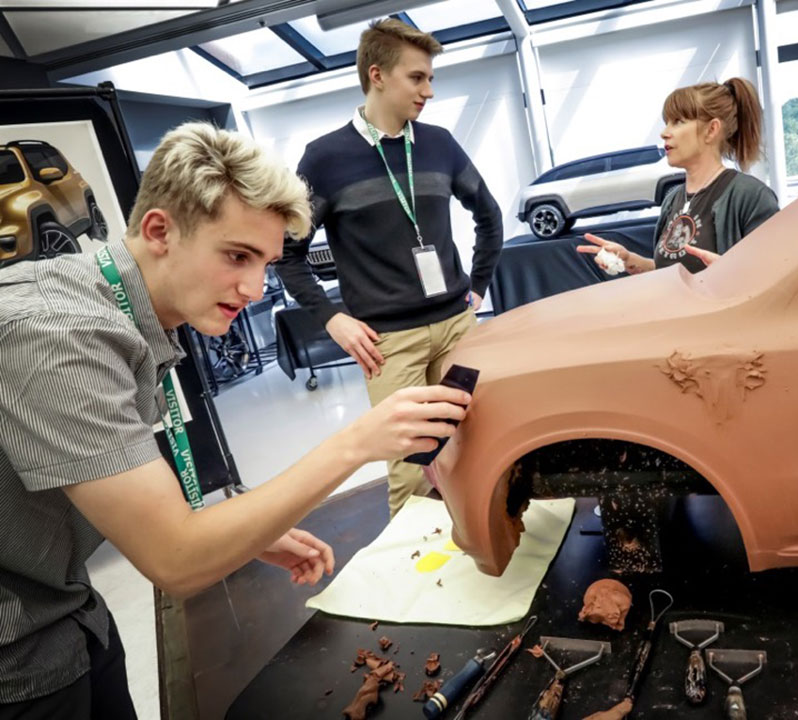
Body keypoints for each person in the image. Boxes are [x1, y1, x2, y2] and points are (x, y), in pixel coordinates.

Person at [0, 123, 470, 718]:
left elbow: (113, 494)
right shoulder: (56, 336)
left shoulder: (118, 312)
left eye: (266, 262)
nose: (254, 287)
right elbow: (176, 560)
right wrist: (355, 444)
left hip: (73, 615)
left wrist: (238, 530)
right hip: (18, 656)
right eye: (236, 256)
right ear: (159, 231)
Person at [276, 18, 503, 518]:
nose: (429, 91)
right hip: (389, 343)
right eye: (417, 78)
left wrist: (479, 286)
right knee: (411, 472)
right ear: (377, 75)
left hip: (457, 326)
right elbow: (286, 254)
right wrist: (331, 318)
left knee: (481, 443)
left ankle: (489, 543)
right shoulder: (325, 158)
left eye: (430, 79)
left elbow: (489, 216)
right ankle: (420, 564)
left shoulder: (440, 144)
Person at [577, 79, 779, 273]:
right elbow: (671, 273)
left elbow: (776, 274)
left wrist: (728, 273)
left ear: (711, 130)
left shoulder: (751, 196)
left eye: (678, 122)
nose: (664, 133)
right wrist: (630, 260)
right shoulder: (672, 199)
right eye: (667, 122)